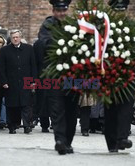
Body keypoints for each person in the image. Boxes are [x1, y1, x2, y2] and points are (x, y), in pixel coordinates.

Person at [37, 0, 79, 155]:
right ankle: (60, 141)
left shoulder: (74, 25)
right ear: (54, 11)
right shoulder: (47, 25)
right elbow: (44, 43)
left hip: (74, 74)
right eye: (58, 10)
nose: (62, 13)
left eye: (64, 10)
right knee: (57, 109)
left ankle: (68, 141)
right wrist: (64, 43)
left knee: (71, 110)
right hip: (54, 73)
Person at [0, 29, 37, 134]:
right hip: (11, 82)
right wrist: (4, 81)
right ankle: (12, 125)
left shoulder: (29, 49)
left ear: (20, 37)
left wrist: (33, 80)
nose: (15, 39)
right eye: (13, 37)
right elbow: (1, 68)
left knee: (27, 104)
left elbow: (33, 65)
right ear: (10, 39)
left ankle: (27, 125)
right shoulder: (4, 50)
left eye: (17, 37)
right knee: (12, 105)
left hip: (26, 80)